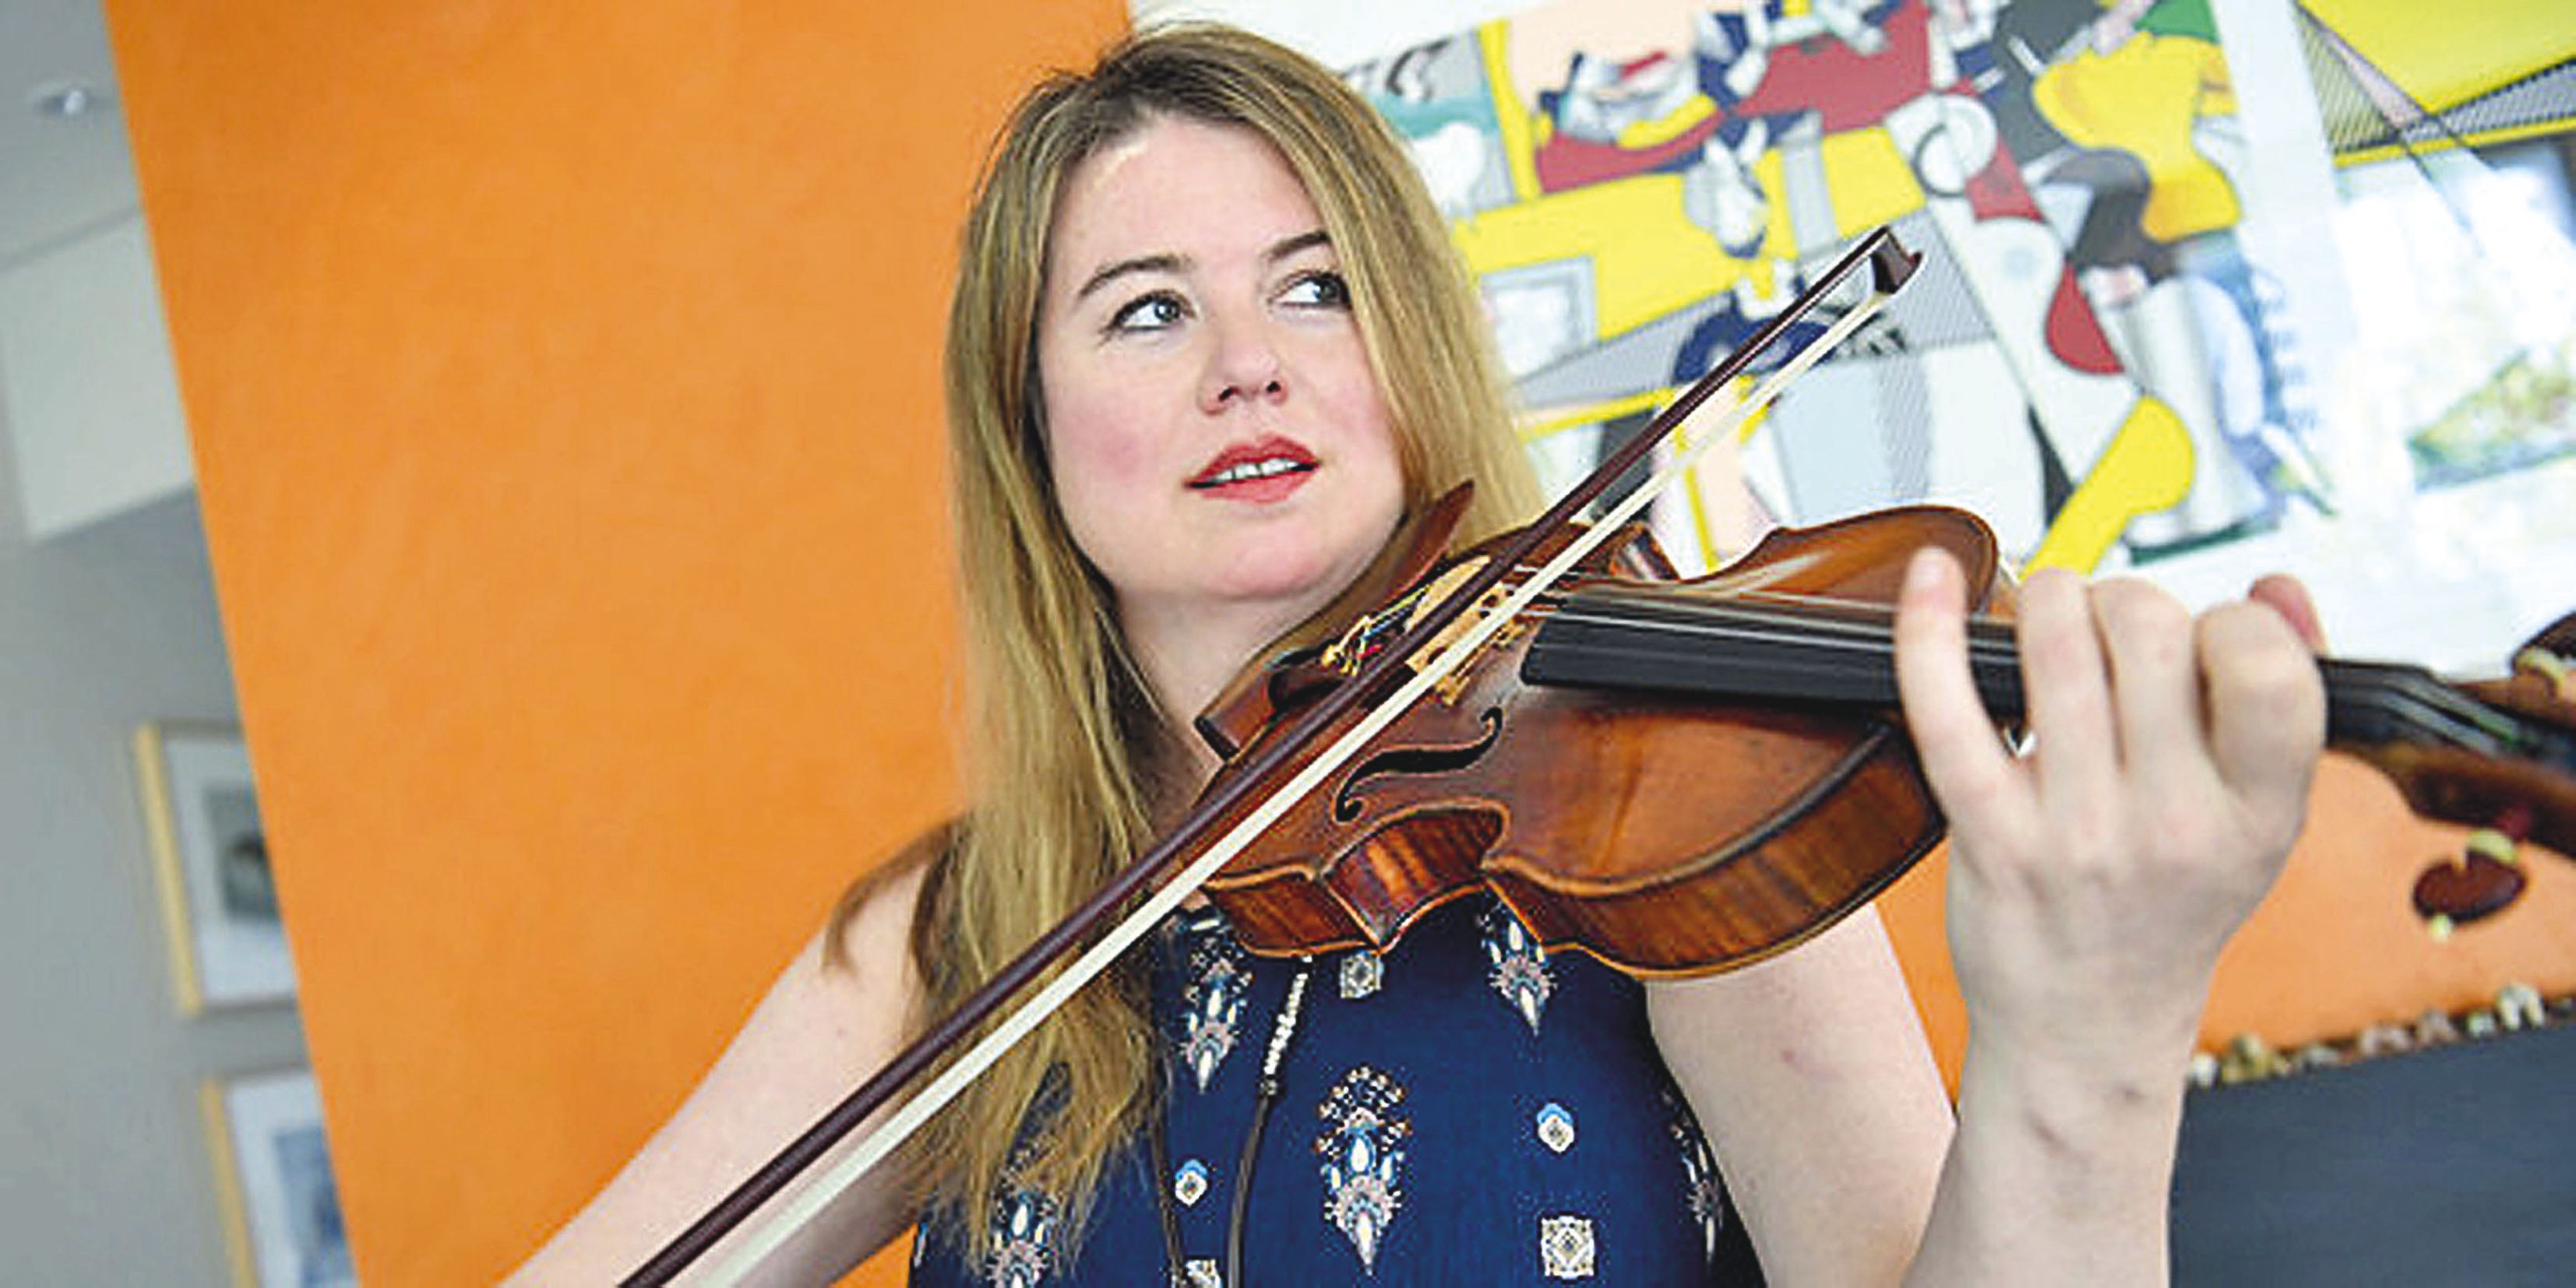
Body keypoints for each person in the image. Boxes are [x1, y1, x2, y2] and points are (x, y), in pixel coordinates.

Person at [511, 23, 2327, 1286]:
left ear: (1408, 350)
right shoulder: (955, 934)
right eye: (1147, 310)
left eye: (1317, 285)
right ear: (1031, 427)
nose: (1249, 360)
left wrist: (2083, 1045)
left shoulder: (1648, 805)